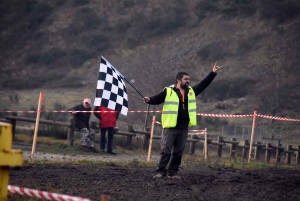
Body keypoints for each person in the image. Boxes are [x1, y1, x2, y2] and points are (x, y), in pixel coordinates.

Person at [143, 62, 220, 179]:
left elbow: (203, 84)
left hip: (183, 127)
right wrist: (149, 99)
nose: (188, 81)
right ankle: (161, 171)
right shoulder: (168, 91)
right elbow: (157, 99)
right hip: (170, 127)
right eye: (186, 79)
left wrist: (213, 73)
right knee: (166, 150)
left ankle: (173, 172)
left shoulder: (191, 91)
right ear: (178, 80)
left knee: (178, 152)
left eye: (189, 79)